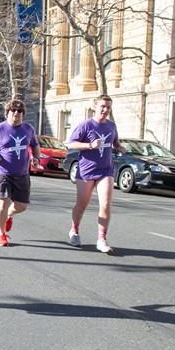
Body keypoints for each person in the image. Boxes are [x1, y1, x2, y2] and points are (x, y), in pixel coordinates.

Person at [66, 94, 124, 253]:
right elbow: (71, 145)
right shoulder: (86, 125)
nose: (105, 110)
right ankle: (74, 231)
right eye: (103, 107)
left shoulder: (111, 126)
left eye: (108, 108)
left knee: (106, 204)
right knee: (82, 204)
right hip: (86, 170)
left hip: (106, 170)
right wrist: (90, 145)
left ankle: (101, 239)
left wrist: (119, 147)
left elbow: (115, 141)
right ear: (95, 107)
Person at [0, 98, 41, 247]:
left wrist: (36, 158)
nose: (16, 113)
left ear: (23, 114)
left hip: (22, 174)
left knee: (22, 206)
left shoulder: (28, 129)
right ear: (7, 113)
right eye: (13, 110)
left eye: (20, 111)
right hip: (2, 172)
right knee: (3, 203)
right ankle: (1, 234)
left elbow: (35, 145)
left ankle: (10, 214)